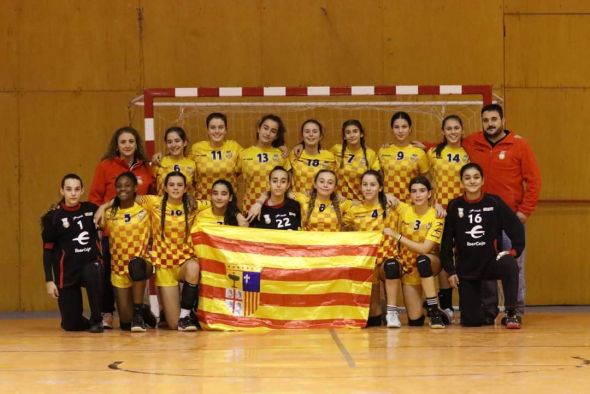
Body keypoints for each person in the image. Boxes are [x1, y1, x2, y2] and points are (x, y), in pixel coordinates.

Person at [462, 103, 541, 323]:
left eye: (494, 120)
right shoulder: (472, 142)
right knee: (484, 264)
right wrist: (424, 145)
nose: (490, 124)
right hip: (481, 220)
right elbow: (447, 145)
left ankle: (514, 311)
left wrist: (524, 212)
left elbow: (533, 180)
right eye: (486, 120)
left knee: (513, 266)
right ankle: (489, 311)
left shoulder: (519, 145)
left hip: (510, 219)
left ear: (503, 121)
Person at [440, 163, 524, 328]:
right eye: (468, 178)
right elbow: (447, 241)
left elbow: (516, 227)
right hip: (467, 268)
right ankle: (480, 311)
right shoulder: (455, 206)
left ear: (483, 180)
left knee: (509, 263)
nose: (472, 181)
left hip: (490, 263)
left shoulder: (494, 202)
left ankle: (511, 313)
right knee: (472, 322)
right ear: (462, 182)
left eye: (476, 177)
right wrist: (451, 270)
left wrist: (514, 251)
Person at [89, 126, 154, 329]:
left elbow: (152, 197)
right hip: (113, 231)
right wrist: (100, 220)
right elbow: (95, 197)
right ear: (116, 145)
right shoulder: (106, 166)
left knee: (138, 267)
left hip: (140, 236)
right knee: (107, 270)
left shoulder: (146, 168)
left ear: (137, 144)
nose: (127, 145)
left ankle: (138, 308)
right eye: (123, 142)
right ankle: (108, 311)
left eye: (131, 141)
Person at [381, 176, 448, 329]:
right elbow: (376, 194)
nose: (418, 195)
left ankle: (434, 311)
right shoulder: (404, 210)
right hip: (408, 267)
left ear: (430, 193)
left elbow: (425, 249)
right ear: (409, 194)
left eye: (422, 191)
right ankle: (426, 308)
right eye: (414, 191)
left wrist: (397, 236)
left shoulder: (437, 216)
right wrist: (388, 195)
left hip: (430, 261)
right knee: (415, 321)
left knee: (423, 260)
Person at [41, 174, 103, 333]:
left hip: (89, 265)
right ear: (62, 191)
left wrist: (104, 207)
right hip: (67, 272)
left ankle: (97, 319)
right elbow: (47, 251)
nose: (73, 193)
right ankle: (77, 319)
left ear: (82, 191)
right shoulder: (52, 217)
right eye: (69, 189)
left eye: (77, 189)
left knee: (93, 270)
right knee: (71, 326)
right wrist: (49, 280)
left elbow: (113, 208)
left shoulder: (92, 209)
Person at [426, 115, 470, 320]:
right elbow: (426, 179)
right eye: (448, 128)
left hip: (462, 211)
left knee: (463, 256)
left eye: (456, 128)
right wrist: (432, 203)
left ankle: (467, 303)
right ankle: (446, 307)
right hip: (440, 212)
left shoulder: (468, 153)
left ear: (462, 130)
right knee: (444, 258)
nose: (452, 132)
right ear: (443, 132)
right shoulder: (433, 153)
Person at [100, 172, 155, 332]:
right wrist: (102, 207)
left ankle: (138, 312)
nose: (123, 189)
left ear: (135, 188)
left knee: (136, 264)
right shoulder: (109, 214)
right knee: (125, 324)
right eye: (119, 186)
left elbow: (167, 202)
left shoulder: (146, 208)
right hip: (119, 269)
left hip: (142, 264)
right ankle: (143, 310)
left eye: (127, 185)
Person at [343, 170, 396, 327]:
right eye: (365, 184)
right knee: (373, 321)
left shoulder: (391, 206)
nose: (368, 188)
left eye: (372, 185)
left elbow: (416, 208)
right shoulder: (354, 211)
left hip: (387, 260)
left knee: (392, 267)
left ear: (380, 188)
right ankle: (379, 308)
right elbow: (343, 229)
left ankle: (392, 311)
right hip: (368, 263)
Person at [237, 114, 288, 212]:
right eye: (265, 128)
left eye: (273, 131)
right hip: (250, 207)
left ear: (276, 136)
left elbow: (288, 184)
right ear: (258, 129)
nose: (268, 133)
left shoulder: (282, 155)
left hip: (275, 209)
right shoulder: (244, 154)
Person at [378, 112, 429, 202]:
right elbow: (379, 180)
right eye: (396, 127)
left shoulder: (419, 152)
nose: (400, 131)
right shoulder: (383, 151)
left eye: (404, 127)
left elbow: (426, 182)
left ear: (410, 129)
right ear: (392, 129)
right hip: (389, 204)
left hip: (411, 206)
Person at [190, 113, 242, 200]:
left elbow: (248, 161)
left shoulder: (235, 147)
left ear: (226, 130)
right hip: (203, 202)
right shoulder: (197, 148)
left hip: (228, 203)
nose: (217, 131)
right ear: (207, 130)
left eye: (221, 127)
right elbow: (184, 167)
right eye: (213, 128)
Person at [330, 120, 380, 200]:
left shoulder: (370, 154)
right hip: (339, 202)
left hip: (361, 203)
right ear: (344, 136)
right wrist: (301, 145)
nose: (352, 135)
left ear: (361, 134)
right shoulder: (336, 150)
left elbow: (378, 180)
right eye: (348, 132)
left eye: (355, 131)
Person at [288, 119, 336, 195]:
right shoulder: (295, 154)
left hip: (320, 201)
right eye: (307, 131)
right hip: (298, 201)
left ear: (320, 136)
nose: (311, 134)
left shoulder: (329, 156)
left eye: (315, 131)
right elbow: (287, 177)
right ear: (302, 135)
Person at [249, 166, 301, 230]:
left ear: (287, 185)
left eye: (283, 181)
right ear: (269, 184)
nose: (278, 185)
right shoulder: (258, 209)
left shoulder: (295, 206)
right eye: (274, 181)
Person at [153, 126, 197, 196]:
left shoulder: (192, 164)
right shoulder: (159, 162)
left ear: (185, 142)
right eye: (169, 142)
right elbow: (152, 187)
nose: (173, 145)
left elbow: (195, 188)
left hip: (184, 206)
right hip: (163, 205)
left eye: (177, 141)